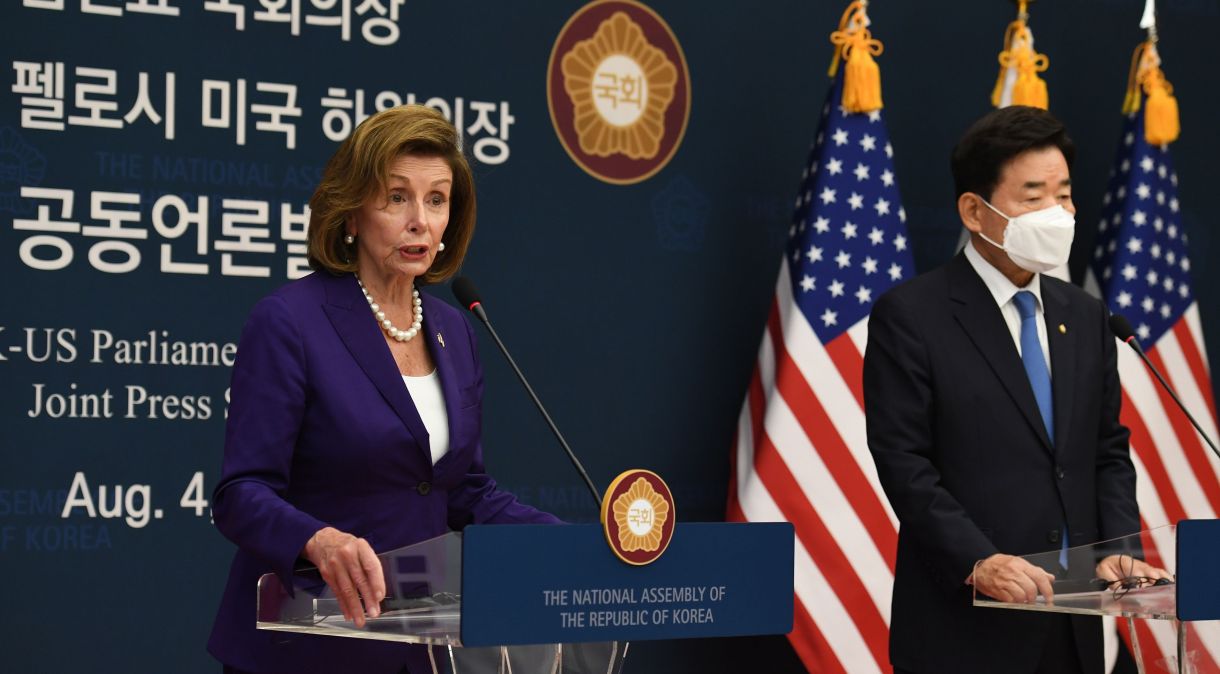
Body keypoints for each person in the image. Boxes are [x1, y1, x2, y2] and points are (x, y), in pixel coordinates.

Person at [207, 104, 560, 673]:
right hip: (306, 645)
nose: (420, 220)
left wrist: (578, 547)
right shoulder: (290, 321)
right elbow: (240, 495)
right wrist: (318, 540)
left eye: (437, 199)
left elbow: (465, 491)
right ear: (351, 215)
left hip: (419, 649)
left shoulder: (455, 331)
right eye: (397, 197)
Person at [863, 106, 1169, 674]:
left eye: (1064, 195)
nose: (1056, 214)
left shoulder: (1087, 315)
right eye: (1033, 197)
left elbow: (1106, 449)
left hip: (1081, 624)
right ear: (976, 212)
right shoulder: (912, 316)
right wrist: (978, 560)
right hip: (970, 630)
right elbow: (905, 464)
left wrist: (1120, 551)